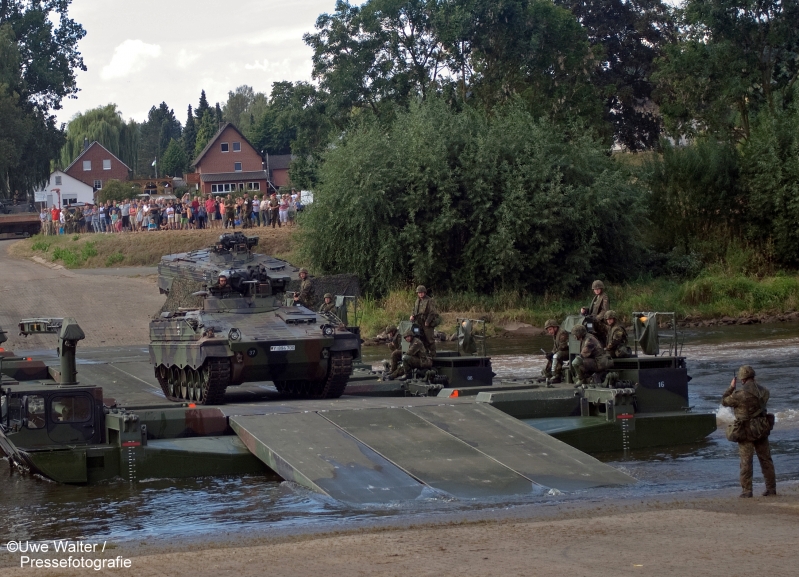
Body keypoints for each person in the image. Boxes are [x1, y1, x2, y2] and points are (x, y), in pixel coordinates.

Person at [722, 365, 776, 498]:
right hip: (761, 428)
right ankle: (771, 489)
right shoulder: (764, 391)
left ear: (742, 379)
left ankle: (747, 491)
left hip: (745, 431)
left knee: (746, 461)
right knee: (766, 460)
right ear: (753, 376)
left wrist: (731, 387)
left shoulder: (738, 395)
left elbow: (724, 401)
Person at [409, 285, 439, 357]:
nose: (420, 294)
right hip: (419, 322)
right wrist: (412, 315)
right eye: (419, 293)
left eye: (422, 292)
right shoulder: (417, 301)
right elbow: (414, 310)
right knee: (421, 338)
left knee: (430, 339)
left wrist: (428, 321)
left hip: (427, 323)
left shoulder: (429, 300)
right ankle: (424, 354)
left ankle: (433, 354)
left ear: (425, 292)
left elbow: (432, 312)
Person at [543, 319, 569, 383]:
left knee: (556, 355)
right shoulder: (555, 334)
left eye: (550, 329)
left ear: (555, 327)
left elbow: (563, 346)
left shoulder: (562, 333)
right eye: (548, 330)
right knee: (550, 356)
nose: (549, 332)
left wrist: (553, 353)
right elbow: (555, 347)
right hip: (561, 351)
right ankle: (548, 374)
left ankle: (557, 376)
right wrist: (550, 353)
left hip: (568, 352)